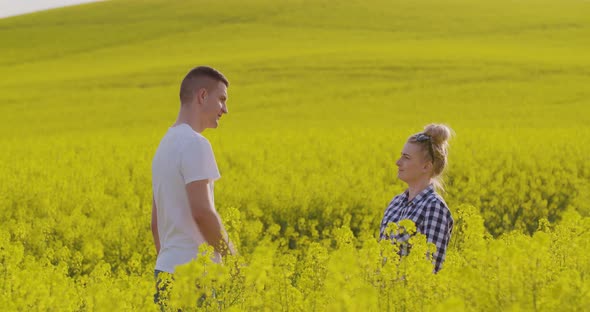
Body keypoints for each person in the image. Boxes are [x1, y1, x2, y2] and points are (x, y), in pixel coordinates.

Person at [151, 66, 235, 306]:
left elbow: (156, 224)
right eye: (221, 99)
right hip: (196, 276)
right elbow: (202, 212)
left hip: (165, 273)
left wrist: (170, 267)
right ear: (202, 96)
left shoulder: (164, 146)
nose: (225, 109)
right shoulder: (195, 143)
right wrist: (234, 261)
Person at [379, 124, 454, 273]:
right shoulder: (396, 203)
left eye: (406, 157)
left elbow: (430, 270)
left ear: (426, 167)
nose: (398, 162)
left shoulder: (434, 208)